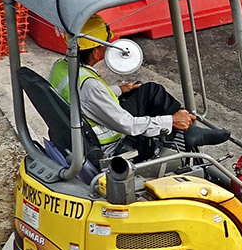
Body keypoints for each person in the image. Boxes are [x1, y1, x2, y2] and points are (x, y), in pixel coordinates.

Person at [48, 15, 228, 161]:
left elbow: (82, 98)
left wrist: (119, 89)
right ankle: (184, 126)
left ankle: (188, 129)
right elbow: (127, 125)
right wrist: (170, 121)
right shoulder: (91, 86)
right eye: (106, 43)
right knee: (155, 107)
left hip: (81, 126)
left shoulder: (60, 67)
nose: (109, 46)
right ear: (95, 52)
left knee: (149, 91)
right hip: (108, 143)